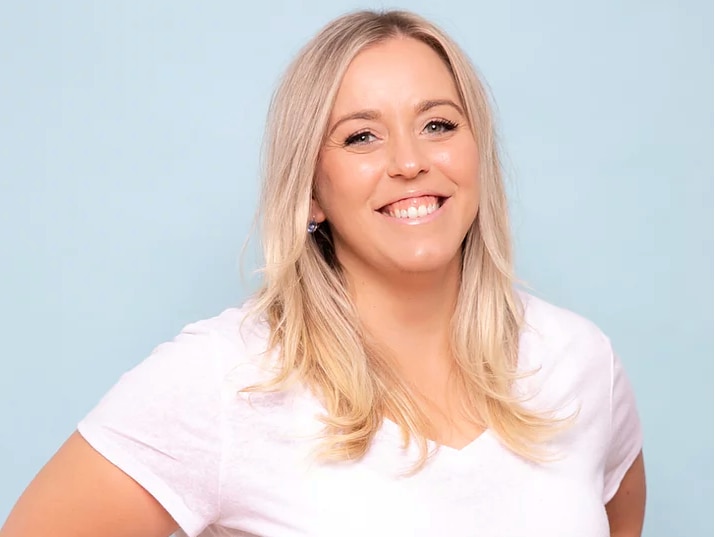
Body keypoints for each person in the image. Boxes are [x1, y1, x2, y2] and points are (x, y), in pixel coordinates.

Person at [0, 9, 646, 537]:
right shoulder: (229, 382)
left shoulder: (579, 360)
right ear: (310, 191)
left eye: (439, 124)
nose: (410, 161)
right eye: (361, 137)